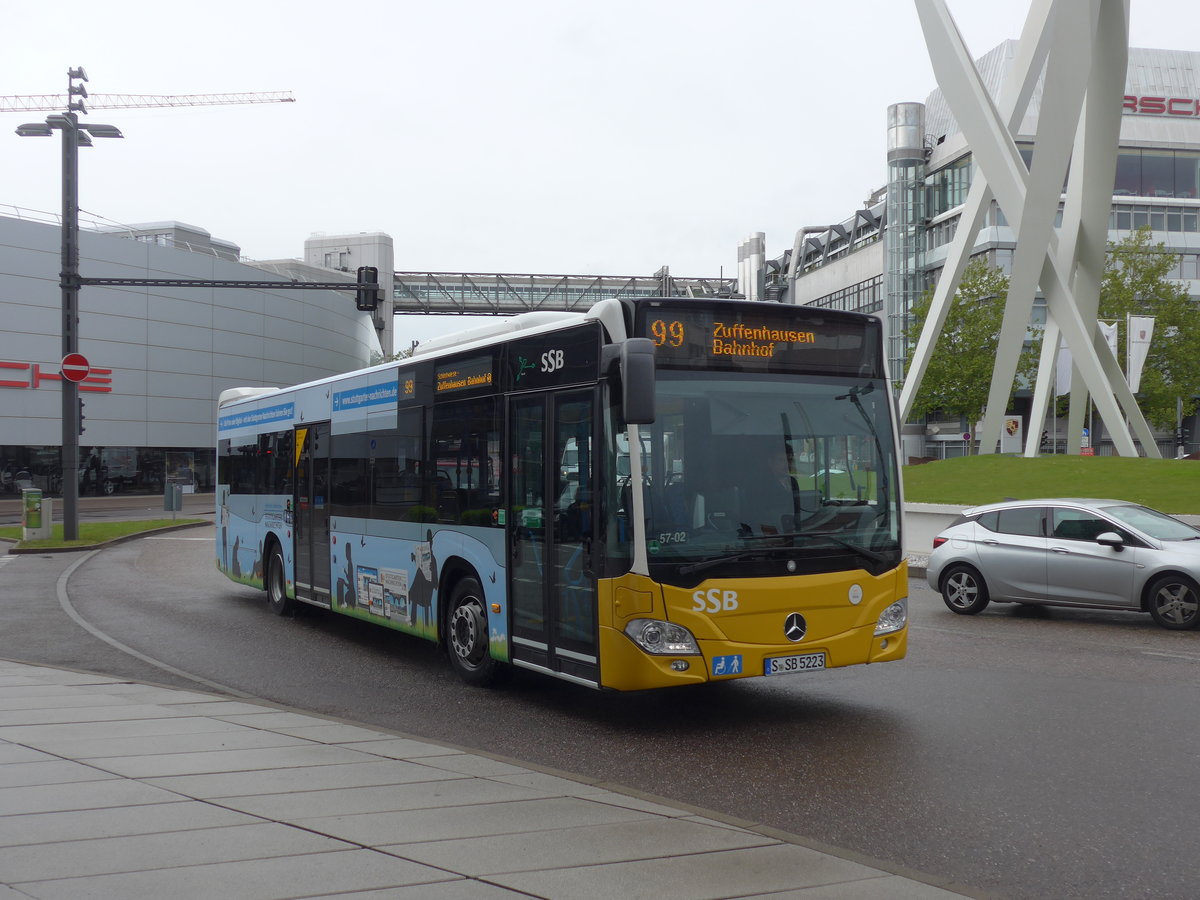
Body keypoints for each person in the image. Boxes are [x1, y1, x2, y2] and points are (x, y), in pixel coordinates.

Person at [738, 444, 800, 536]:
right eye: (781, 460)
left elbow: (798, 509)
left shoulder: (793, 482)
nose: (787, 464)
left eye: (789, 460)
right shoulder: (759, 484)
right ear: (770, 462)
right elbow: (756, 514)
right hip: (768, 534)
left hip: (791, 531)